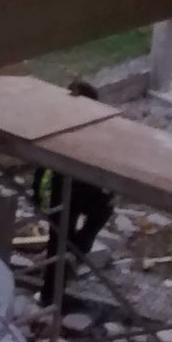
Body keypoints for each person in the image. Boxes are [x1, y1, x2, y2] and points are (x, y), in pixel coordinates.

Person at [32, 79, 115, 306]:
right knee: (60, 241)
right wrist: (37, 191)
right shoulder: (74, 124)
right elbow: (42, 161)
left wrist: (36, 191)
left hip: (77, 187)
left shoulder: (88, 124)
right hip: (72, 187)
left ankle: (74, 253)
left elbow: (41, 162)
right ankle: (52, 292)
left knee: (59, 241)